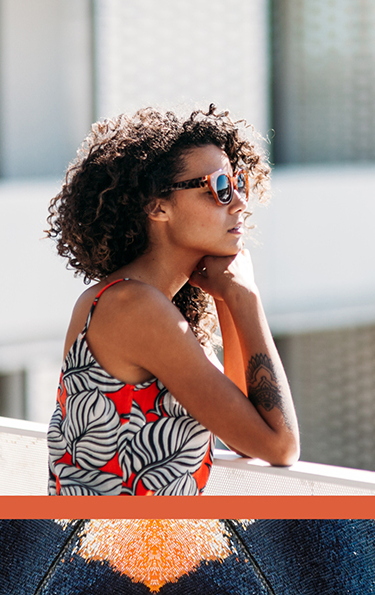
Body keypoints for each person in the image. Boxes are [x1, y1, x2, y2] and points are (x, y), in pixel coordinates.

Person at [45, 105, 300, 496]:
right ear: (157, 206)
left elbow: (242, 432)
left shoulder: (145, 305)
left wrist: (228, 294)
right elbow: (280, 445)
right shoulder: (135, 308)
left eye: (239, 182)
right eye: (218, 187)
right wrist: (245, 295)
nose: (240, 203)